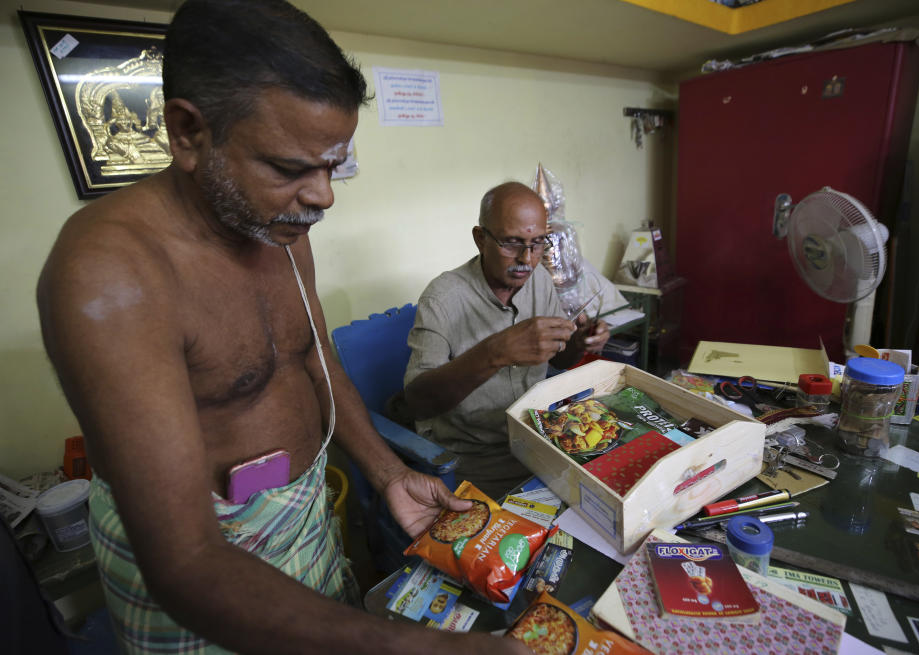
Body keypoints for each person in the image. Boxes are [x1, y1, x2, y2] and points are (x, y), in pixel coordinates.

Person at [36, 2, 530, 653]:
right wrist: (415, 647)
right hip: (205, 571)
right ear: (188, 132)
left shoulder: (280, 229)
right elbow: (184, 562)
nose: (323, 194)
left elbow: (310, 356)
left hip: (304, 517)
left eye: (334, 165)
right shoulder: (109, 273)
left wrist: (386, 472)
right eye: (290, 167)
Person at [403, 182, 611, 500]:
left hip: (540, 440)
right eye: (511, 243)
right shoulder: (442, 299)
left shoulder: (538, 279)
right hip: (477, 459)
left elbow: (557, 359)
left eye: (537, 243)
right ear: (480, 238)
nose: (526, 259)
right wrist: (495, 352)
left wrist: (578, 343)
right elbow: (418, 401)